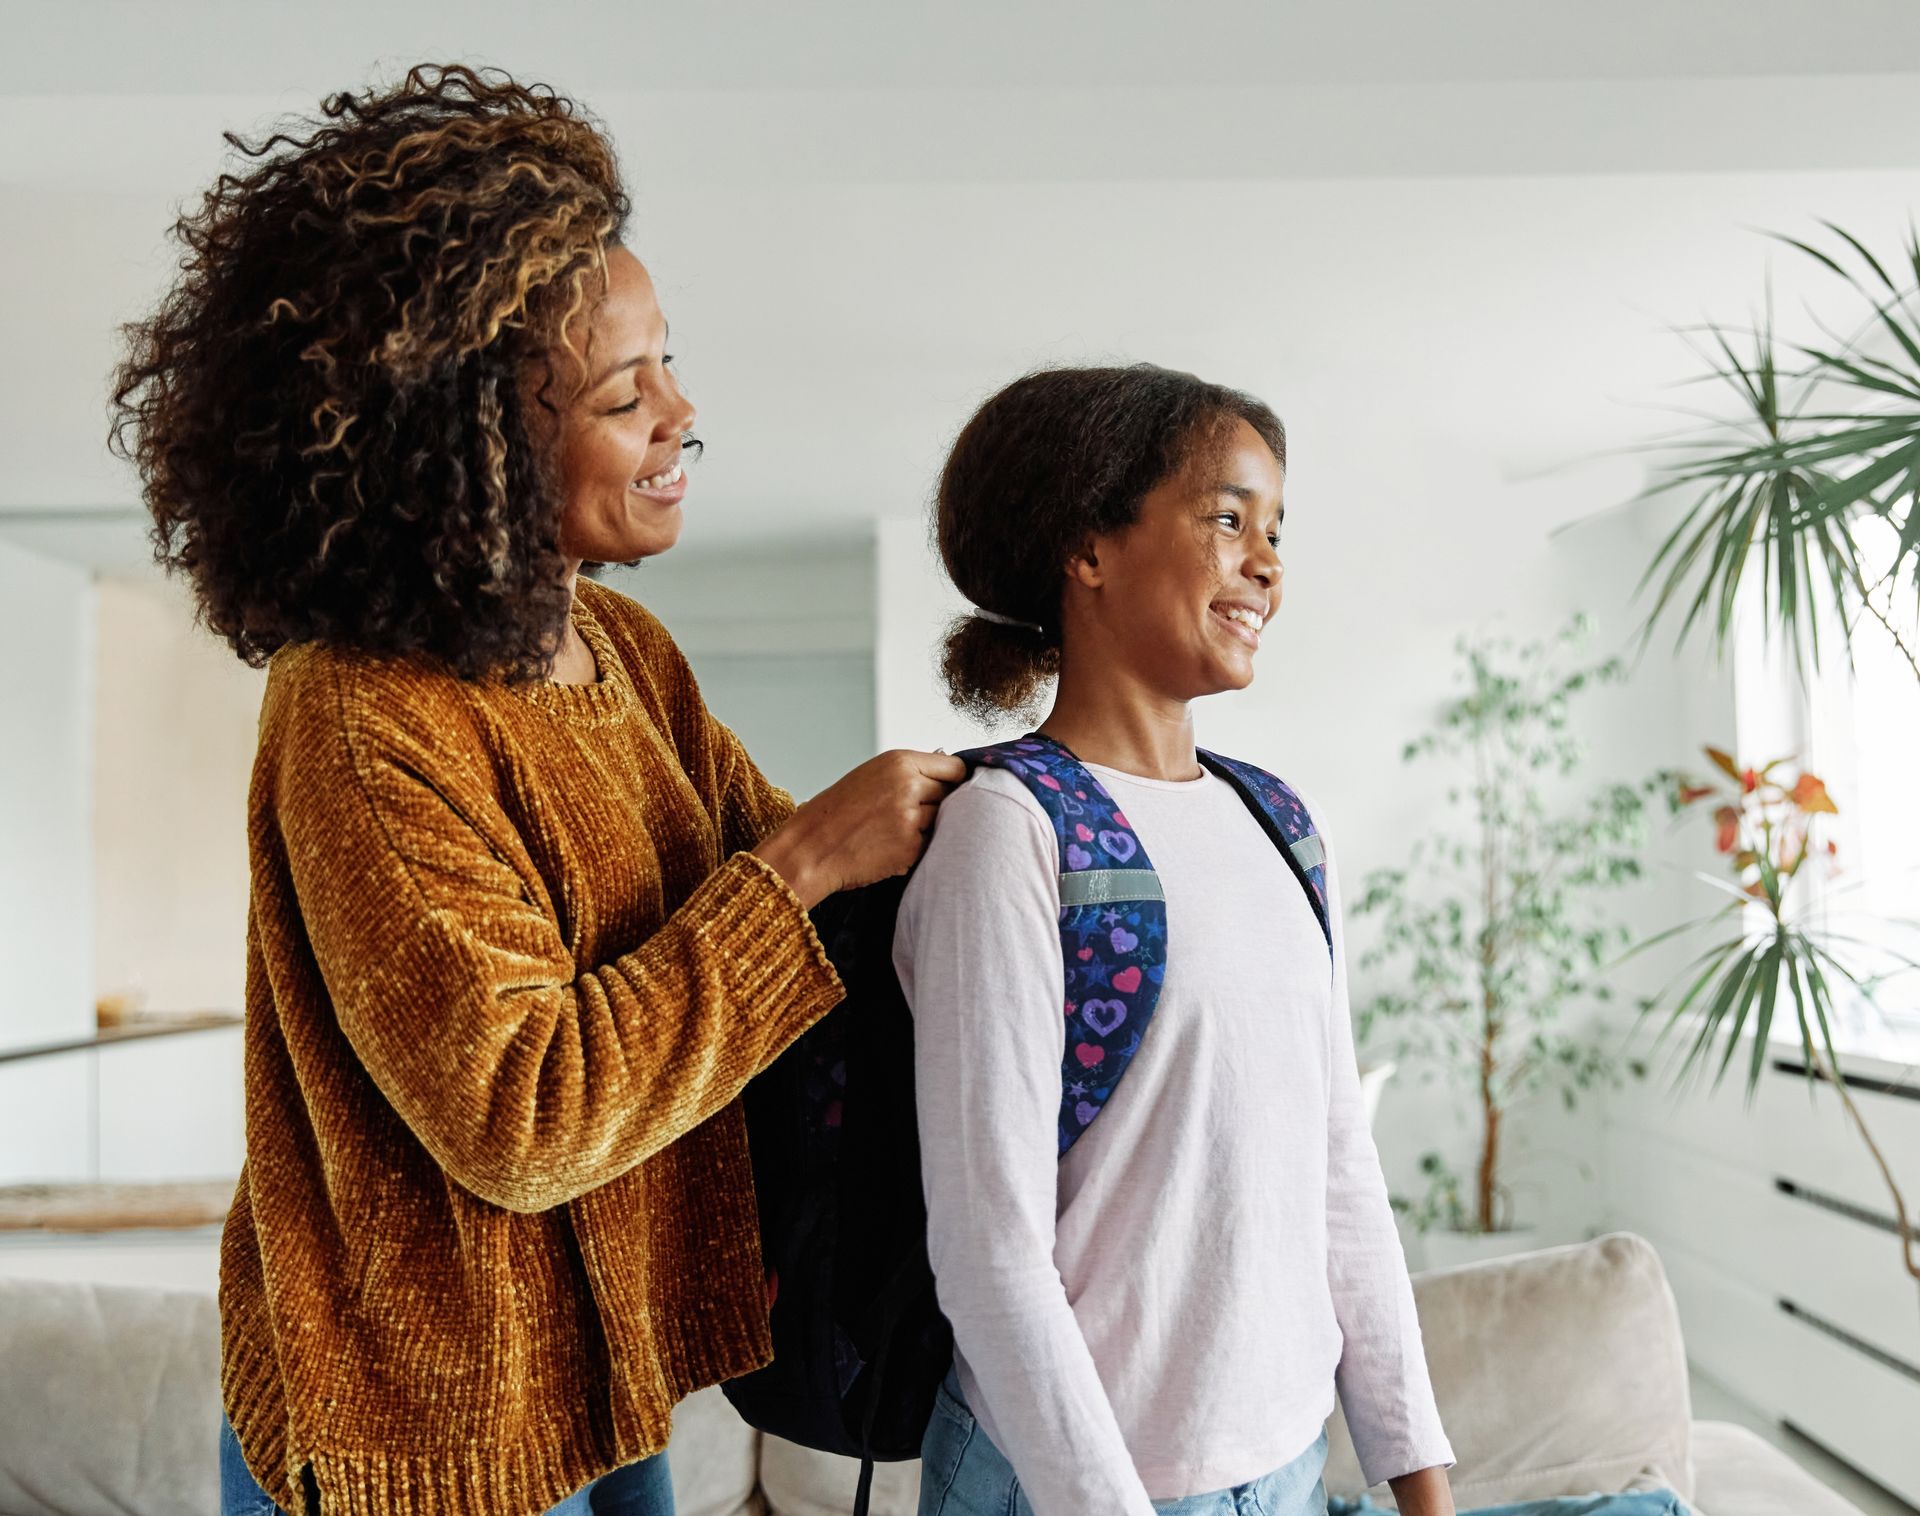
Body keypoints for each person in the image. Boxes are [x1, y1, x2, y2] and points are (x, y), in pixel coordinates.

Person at [109, 64, 961, 1516]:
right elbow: (526, 1113)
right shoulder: (361, 713)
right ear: (474, 446)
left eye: (669, 368)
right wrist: (807, 867)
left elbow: (807, 897)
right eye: (629, 395)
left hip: (590, 1381)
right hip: (411, 1432)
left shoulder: (620, 647)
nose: (682, 414)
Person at [895, 365, 1458, 1516]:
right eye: (1226, 519)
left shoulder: (1282, 821)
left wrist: (1422, 1481)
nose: (1267, 562)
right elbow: (990, 1254)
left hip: (1287, 1467)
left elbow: (1340, 1169)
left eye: (1276, 530)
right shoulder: (1010, 833)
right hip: (1070, 1488)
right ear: (1088, 548)